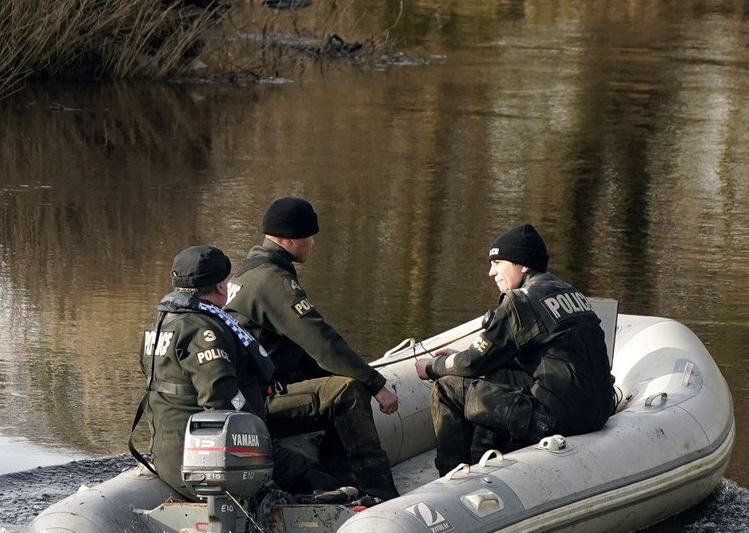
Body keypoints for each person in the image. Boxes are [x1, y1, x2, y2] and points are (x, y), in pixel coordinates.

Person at [224, 196, 402, 501]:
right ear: (293, 239)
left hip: (246, 396)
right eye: (310, 237)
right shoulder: (273, 281)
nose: (312, 244)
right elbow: (321, 340)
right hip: (258, 402)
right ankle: (378, 493)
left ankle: (339, 480)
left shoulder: (250, 271)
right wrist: (375, 383)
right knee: (348, 391)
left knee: (341, 382)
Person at [133, 244, 333, 501]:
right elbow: (221, 401)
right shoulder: (204, 331)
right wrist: (258, 434)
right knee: (309, 474)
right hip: (206, 461)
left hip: (165, 454)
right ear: (220, 286)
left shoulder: (157, 325)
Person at [414, 223, 615, 474]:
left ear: (524, 264)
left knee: (447, 388)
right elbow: (521, 357)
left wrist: (433, 367)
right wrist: (467, 359)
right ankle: (485, 458)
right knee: (495, 375)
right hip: (598, 410)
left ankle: (449, 480)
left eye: (498, 263)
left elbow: (474, 362)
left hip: (557, 418)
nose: (491, 272)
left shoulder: (521, 300)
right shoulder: (570, 292)